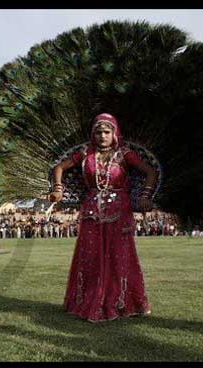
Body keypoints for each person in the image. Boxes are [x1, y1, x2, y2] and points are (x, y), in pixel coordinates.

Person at [48, 113, 158, 322]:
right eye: (98, 132)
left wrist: (145, 196)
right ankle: (88, 301)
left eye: (107, 132)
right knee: (90, 256)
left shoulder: (125, 154)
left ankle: (124, 302)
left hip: (120, 211)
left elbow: (150, 172)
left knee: (120, 256)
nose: (102, 136)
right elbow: (59, 167)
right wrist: (58, 189)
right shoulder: (85, 153)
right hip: (91, 211)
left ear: (114, 133)